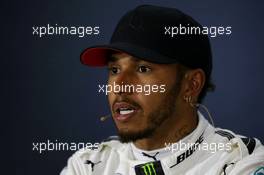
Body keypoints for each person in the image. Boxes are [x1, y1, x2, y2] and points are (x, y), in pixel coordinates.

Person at [61, 5, 264, 175]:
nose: (120, 85)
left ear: (191, 84)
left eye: (143, 69)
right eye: (114, 70)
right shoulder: (88, 165)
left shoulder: (241, 161)